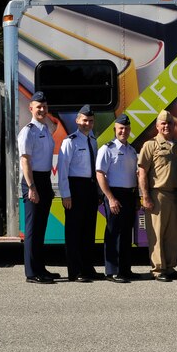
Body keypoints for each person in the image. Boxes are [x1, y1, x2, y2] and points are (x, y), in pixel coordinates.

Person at [138, 110, 177, 282]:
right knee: (157, 234)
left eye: (169, 123)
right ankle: (158, 270)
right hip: (158, 194)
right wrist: (145, 196)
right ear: (157, 126)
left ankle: (171, 267)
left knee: (173, 235)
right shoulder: (150, 145)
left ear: (174, 126)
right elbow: (142, 172)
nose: (166, 126)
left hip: (176, 195)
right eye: (163, 123)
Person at [18, 91, 60, 285]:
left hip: (43, 181)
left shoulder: (45, 129)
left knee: (41, 227)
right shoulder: (28, 131)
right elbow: (25, 160)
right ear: (31, 108)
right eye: (38, 106)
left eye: (44, 106)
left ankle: (40, 268)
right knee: (32, 229)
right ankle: (31, 273)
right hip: (32, 181)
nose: (42, 109)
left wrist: (46, 185)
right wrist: (31, 186)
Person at [95, 114, 140, 284]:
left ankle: (125, 269)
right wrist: (110, 198)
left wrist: (136, 197)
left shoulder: (131, 150)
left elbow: (134, 176)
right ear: (115, 129)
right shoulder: (107, 149)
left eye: (126, 128)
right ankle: (112, 271)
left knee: (127, 233)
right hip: (114, 194)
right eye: (121, 128)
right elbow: (100, 174)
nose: (124, 131)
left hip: (129, 194)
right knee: (114, 233)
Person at [57, 104, 99, 283]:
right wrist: (65, 194)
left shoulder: (93, 141)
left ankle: (88, 267)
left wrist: (97, 192)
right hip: (75, 188)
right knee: (74, 232)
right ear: (77, 121)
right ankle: (75, 271)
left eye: (90, 121)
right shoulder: (70, 141)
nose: (87, 123)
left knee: (89, 231)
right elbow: (63, 169)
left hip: (89, 188)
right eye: (84, 120)